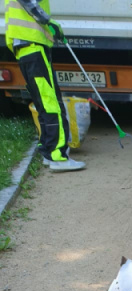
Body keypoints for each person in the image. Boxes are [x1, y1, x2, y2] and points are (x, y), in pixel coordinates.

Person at [4, 0, 86, 172]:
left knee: (43, 103)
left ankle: (49, 152)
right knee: (51, 104)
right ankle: (58, 156)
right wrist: (48, 21)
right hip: (33, 46)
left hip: (25, 48)